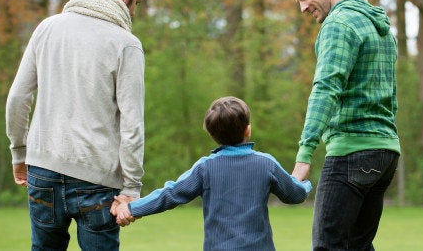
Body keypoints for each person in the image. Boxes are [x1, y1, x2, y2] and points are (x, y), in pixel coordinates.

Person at [6, 0, 148, 250]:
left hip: (42, 169)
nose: (134, 11)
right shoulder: (125, 43)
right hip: (96, 178)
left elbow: (18, 98)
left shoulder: (47, 28)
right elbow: (132, 124)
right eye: (137, 2)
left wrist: (19, 154)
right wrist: (131, 188)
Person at [281, 0, 401, 250]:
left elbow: (326, 88)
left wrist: (304, 154)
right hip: (385, 153)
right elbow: (391, 96)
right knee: (357, 247)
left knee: (328, 246)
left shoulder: (338, 23)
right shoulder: (379, 26)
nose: (303, 7)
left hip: (352, 153)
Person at [112, 96, 312, 251]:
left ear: (211, 133)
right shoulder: (266, 164)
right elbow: (294, 194)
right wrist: (304, 183)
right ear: (247, 130)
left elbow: (171, 194)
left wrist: (132, 208)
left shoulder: (205, 168)